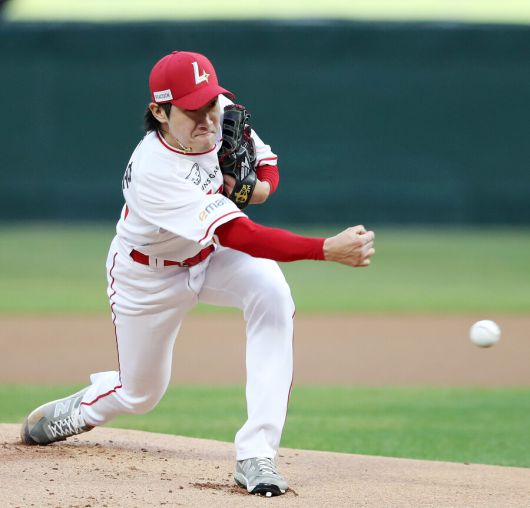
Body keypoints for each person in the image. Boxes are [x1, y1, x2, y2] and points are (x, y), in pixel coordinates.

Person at [20, 50, 375, 497]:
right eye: (192, 110)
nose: (207, 117)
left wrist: (259, 188)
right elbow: (240, 235)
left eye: (210, 102)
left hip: (209, 255)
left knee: (271, 292)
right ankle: (82, 409)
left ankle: (257, 454)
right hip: (147, 278)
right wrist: (323, 249)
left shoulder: (218, 112)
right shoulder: (154, 170)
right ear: (159, 112)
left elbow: (266, 162)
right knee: (141, 394)